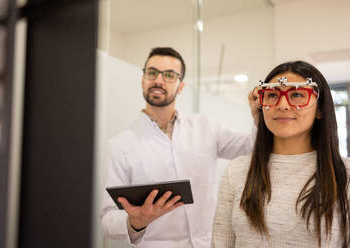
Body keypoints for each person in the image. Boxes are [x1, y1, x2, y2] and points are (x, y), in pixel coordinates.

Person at [101, 47, 259, 247]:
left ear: (181, 86)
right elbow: (107, 218)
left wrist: (258, 119)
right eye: (152, 73)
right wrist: (134, 221)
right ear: (142, 80)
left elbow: (250, 148)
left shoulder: (205, 127)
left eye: (169, 75)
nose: (158, 80)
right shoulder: (119, 146)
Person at [212, 61, 350, 248]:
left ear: (319, 109)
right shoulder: (236, 171)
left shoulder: (345, 175)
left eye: (297, 95)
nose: (283, 104)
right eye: (272, 95)